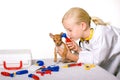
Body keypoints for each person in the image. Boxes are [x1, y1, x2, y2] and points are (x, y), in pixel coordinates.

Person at [57, 7, 120, 74]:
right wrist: (78, 49)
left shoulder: (101, 34)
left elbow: (96, 61)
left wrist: (72, 56)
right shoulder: (85, 37)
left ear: (83, 26)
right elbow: (91, 53)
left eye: (70, 30)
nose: (68, 33)